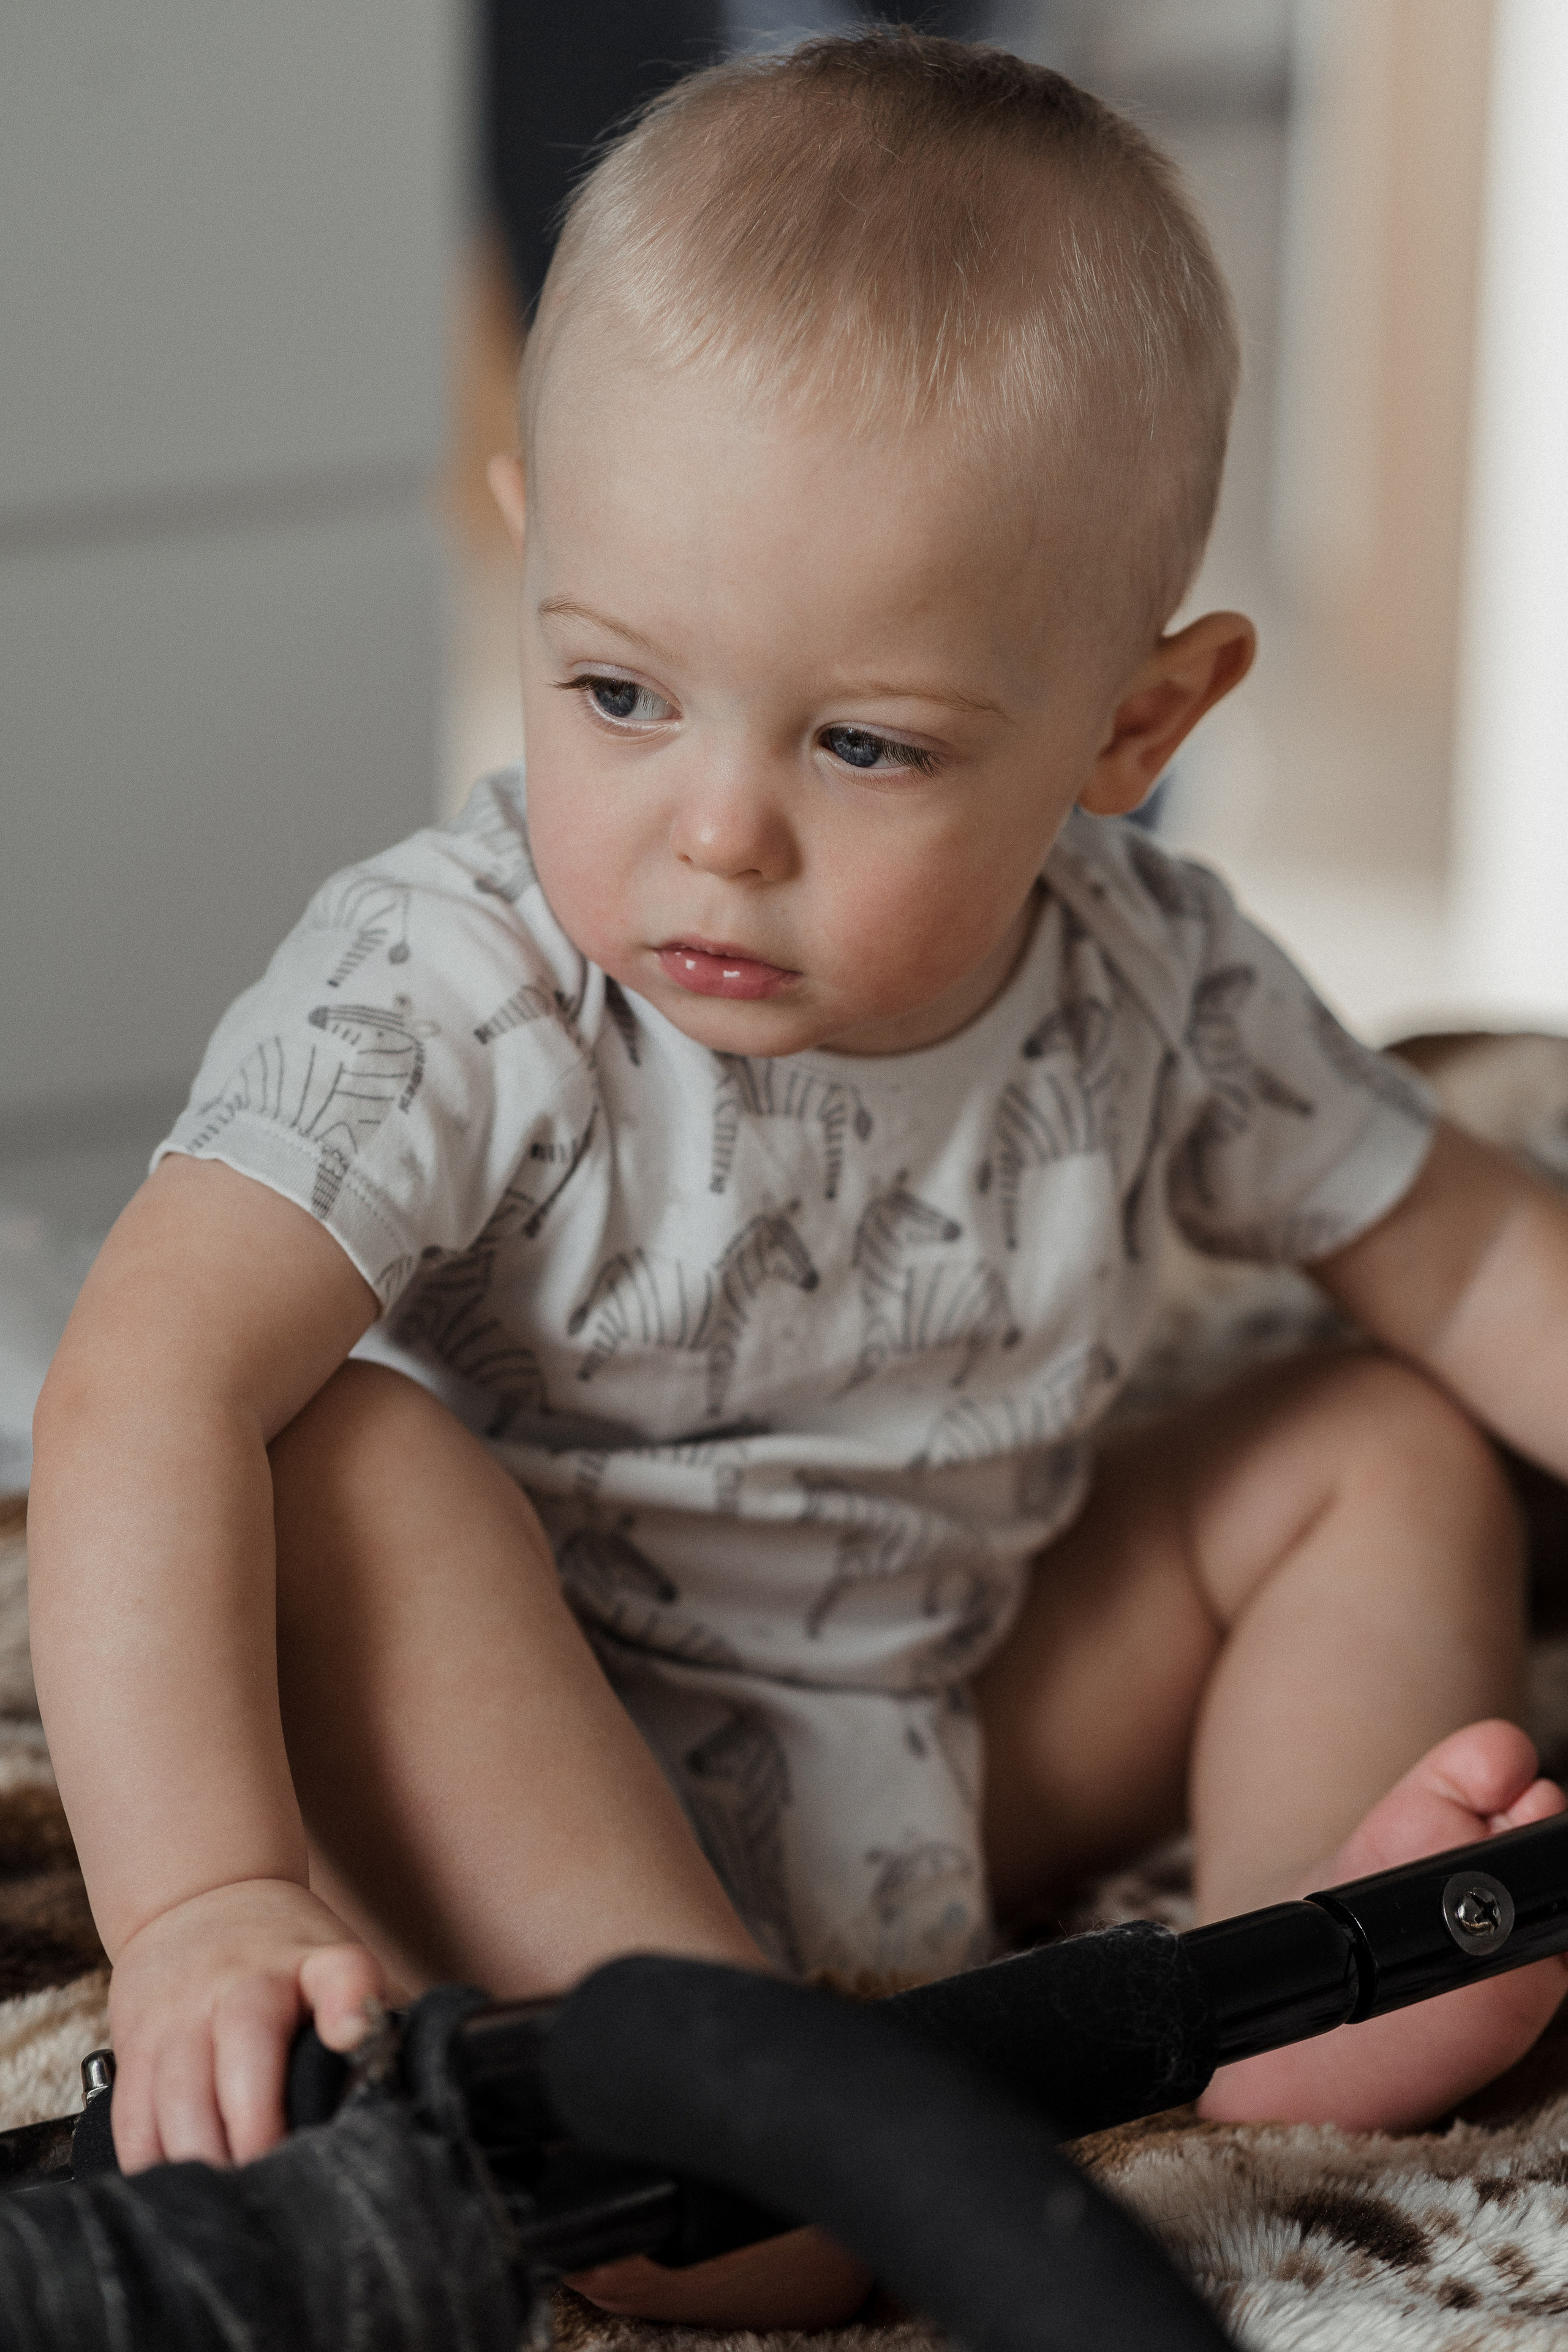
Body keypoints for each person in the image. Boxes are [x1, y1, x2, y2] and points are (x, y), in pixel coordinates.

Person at [28, 31, 1568, 2328]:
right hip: (533, 1749)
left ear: (1133, 732)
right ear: (534, 547)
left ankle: (1295, 1983)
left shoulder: (1152, 974)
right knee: (330, 1445)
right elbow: (131, 1387)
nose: (716, 828)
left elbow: (1462, 1247)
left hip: (942, 1705)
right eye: (622, 693)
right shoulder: (446, 989)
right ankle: (738, 2148)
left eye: (865, 744)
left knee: (1375, 1434)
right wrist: (198, 1908)